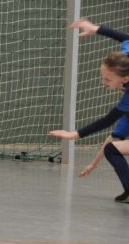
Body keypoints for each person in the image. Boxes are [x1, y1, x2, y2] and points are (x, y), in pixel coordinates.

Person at [49, 19, 129, 203]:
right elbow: (125, 37)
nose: (104, 84)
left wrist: (73, 135)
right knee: (112, 148)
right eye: (103, 78)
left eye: (108, 80)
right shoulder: (125, 56)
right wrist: (95, 28)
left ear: (125, 78)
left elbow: (108, 120)